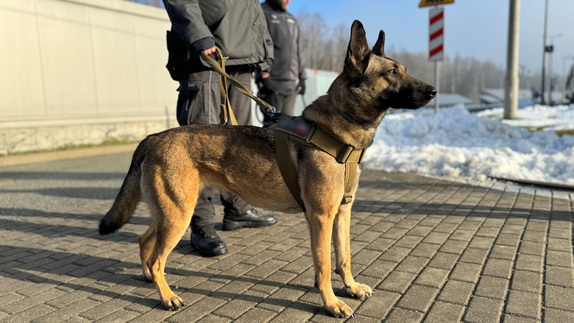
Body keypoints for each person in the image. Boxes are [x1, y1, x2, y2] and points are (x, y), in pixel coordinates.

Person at [163, 0, 277, 257]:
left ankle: (238, 209)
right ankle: (201, 224)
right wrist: (199, 36)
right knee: (201, 147)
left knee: (242, 145)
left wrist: (264, 51)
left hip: (243, 58)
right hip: (206, 56)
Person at [257, 0, 306, 117]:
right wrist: (264, 75)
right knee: (272, 125)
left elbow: (298, 49)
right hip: (272, 81)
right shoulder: (262, 11)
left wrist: (302, 77)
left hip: (291, 84)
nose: (288, 0)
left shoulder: (291, 19)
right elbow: (258, 44)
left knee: (288, 126)